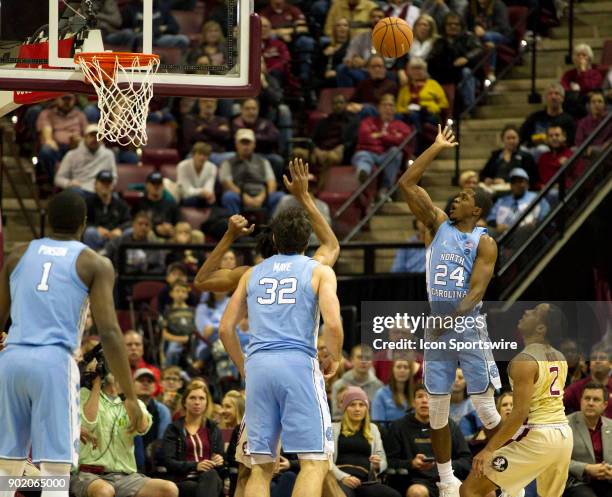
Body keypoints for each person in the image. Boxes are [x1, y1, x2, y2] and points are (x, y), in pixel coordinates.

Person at [194, 160, 342, 497]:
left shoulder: (251, 273)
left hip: (260, 365)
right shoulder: (317, 268)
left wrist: (244, 366)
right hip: (296, 362)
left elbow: (224, 328)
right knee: (315, 462)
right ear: (306, 240)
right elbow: (332, 246)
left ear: (272, 239)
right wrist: (304, 197)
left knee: (260, 465)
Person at [0, 190, 142, 497]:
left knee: (7, 467)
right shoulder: (94, 262)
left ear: (47, 220)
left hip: (12, 360)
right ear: (84, 222)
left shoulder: (17, 254)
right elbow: (110, 333)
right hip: (53, 363)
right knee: (55, 470)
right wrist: (129, 395)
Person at [397, 125, 502, 497]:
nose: (454, 200)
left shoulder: (484, 241)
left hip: (467, 325)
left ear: (477, 209)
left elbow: (477, 291)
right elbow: (407, 184)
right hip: (437, 326)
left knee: (487, 411)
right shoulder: (438, 223)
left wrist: (450, 319)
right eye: (454, 197)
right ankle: (445, 482)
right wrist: (436, 147)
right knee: (437, 411)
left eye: (462, 198)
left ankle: (509, 481)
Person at [461, 303, 573, 497]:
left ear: (540, 328)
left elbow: (520, 413)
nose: (526, 311)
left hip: (539, 436)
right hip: (563, 435)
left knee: (470, 490)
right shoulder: (559, 356)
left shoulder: (525, 361)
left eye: (535, 312)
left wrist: (489, 449)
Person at [71, 366, 177, 497]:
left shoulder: (134, 402)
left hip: (126, 476)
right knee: (104, 491)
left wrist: (127, 394)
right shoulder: (84, 394)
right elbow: (88, 423)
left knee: (169, 489)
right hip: (89, 473)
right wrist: (96, 383)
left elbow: (142, 427)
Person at [385, 384, 472, 497]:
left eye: (429, 397)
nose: (424, 401)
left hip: (447, 478)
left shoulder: (448, 425)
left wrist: (444, 465)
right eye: (420, 396)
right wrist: (411, 463)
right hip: (414, 481)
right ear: (413, 401)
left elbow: (466, 460)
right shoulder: (398, 427)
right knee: (417, 492)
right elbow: (389, 462)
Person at [331, 387, 401, 497]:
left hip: (364, 481)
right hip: (340, 479)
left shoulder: (373, 429)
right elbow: (326, 461)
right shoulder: (333, 428)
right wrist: (343, 477)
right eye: (352, 405)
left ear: (366, 408)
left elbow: (383, 459)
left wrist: (378, 465)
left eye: (361, 405)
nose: (357, 409)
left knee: (394, 495)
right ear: (345, 408)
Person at [162, 381, 225, 497]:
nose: (197, 402)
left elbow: (222, 463)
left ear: (206, 403)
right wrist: (195, 465)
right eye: (192, 398)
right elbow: (168, 462)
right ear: (184, 402)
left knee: (210, 475)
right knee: (195, 487)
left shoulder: (213, 429)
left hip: (211, 479)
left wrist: (220, 461)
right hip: (183, 479)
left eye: (201, 398)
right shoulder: (174, 429)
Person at [351, 94, 413, 199]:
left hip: (387, 155)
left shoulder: (402, 126)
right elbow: (364, 137)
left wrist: (380, 136)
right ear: (379, 108)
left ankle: (385, 189)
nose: (387, 108)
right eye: (384, 105)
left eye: (391, 105)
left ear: (395, 109)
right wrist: (390, 138)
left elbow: (402, 141)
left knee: (395, 151)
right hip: (369, 152)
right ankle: (363, 174)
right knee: (362, 155)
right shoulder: (367, 122)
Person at [219, 128, 286, 217]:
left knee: (280, 196)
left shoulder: (263, 161)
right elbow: (227, 184)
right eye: (243, 143)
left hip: (262, 194)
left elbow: (271, 182)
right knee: (228, 196)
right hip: (239, 195)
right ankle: (236, 227)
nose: (245, 146)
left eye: (248, 143)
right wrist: (244, 197)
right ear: (236, 144)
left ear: (254, 144)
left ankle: (272, 226)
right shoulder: (227, 162)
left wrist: (262, 197)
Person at [428, 13, 484, 110]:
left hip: (468, 73)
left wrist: (466, 58)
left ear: (461, 26)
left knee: (466, 72)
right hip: (446, 73)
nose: (453, 26)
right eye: (449, 24)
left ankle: (469, 107)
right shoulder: (439, 41)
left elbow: (479, 50)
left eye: (456, 24)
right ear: (444, 26)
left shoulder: (468, 37)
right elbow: (432, 58)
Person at [565, 383, 612, 497]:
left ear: (605, 405)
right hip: (577, 481)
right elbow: (557, 460)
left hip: (606, 480)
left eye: (596, 399)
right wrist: (586, 468)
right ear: (581, 401)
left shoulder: (610, 425)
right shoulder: (565, 425)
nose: (590, 403)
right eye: (587, 398)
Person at [35, 95, 88, 187]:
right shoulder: (47, 113)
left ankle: (83, 183)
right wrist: (49, 140)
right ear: (56, 99)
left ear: (75, 100)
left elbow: (88, 132)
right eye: (64, 98)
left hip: (76, 148)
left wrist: (81, 141)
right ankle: (55, 182)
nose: (67, 102)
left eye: (69, 99)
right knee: (46, 150)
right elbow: (46, 132)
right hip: (57, 148)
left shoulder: (80, 115)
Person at [54, 124, 117, 195]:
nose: (95, 139)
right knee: (74, 193)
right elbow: (58, 179)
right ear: (84, 138)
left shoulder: (109, 154)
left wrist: (107, 185)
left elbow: (114, 177)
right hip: (80, 189)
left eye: (98, 136)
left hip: (101, 191)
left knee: (115, 197)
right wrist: (69, 183)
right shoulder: (71, 155)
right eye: (91, 136)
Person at [519, 83, 576, 161]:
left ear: (562, 98)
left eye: (557, 94)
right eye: (550, 94)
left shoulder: (568, 120)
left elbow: (570, 143)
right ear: (545, 98)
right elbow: (521, 135)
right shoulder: (535, 117)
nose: (553, 97)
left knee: (542, 149)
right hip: (533, 151)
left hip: (555, 154)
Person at [487, 168, 550, 236]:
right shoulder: (502, 201)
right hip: (502, 234)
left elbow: (545, 215)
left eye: (520, 181)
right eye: (514, 181)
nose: (517, 184)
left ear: (527, 184)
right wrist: (497, 225)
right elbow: (491, 218)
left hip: (525, 234)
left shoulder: (536, 198)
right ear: (510, 185)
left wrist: (535, 224)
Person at [133, 368, 172, 472]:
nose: (146, 384)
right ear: (132, 384)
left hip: (153, 461)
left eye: (149, 381)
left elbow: (162, 441)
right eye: (141, 381)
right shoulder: (123, 407)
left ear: (155, 386)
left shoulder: (163, 410)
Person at [331, 345, 384, 419]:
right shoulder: (338, 385)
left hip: (370, 427)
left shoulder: (379, 386)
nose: (364, 361)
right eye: (359, 357)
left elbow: (378, 416)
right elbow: (336, 416)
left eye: (368, 358)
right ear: (351, 360)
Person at [83, 170, 131, 250]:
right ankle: (91, 261)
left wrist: (119, 229)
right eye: (102, 183)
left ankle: (123, 261)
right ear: (95, 184)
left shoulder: (121, 204)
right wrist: (97, 228)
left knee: (129, 232)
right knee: (90, 232)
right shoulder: (88, 202)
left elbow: (128, 222)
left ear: (112, 185)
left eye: (108, 183)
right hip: (96, 236)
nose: (105, 186)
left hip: (115, 237)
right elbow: (82, 222)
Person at [480, 125, 538, 189]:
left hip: (518, 190)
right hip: (496, 188)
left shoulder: (526, 156)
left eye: (513, 138)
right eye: (508, 138)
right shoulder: (496, 156)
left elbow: (532, 179)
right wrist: (488, 180)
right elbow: (482, 175)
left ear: (519, 139)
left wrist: (506, 181)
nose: (511, 141)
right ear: (502, 139)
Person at [564, 348, 612, 419]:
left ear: (611, 364)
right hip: (583, 428)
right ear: (590, 365)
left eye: (602, 358)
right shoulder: (577, 387)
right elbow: (557, 402)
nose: (597, 361)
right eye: (594, 358)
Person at [561, 44, 604, 118]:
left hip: (588, 104)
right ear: (574, 58)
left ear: (589, 59)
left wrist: (583, 71)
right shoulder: (568, 74)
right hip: (572, 103)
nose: (581, 58)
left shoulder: (595, 73)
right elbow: (564, 89)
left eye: (584, 55)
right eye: (578, 55)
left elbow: (588, 87)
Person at [135, 171, 181, 240]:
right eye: (153, 184)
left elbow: (179, 223)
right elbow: (135, 224)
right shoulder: (140, 203)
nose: (156, 187)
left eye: (159, 184)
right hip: (147, 238)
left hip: (169, 238)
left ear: (163, 186)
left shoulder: (171, 204)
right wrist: (155, 229)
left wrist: (171, 228)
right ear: (147, 185)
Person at [177, 142, 217, 208]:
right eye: (199, 154)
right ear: (193, 154)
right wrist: (201, 192)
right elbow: (186, 190)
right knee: (193, 200)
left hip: (204, 198)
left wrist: (208, 194)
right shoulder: (182, 166)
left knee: (211, 201)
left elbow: (209, 187)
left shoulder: (212, 167)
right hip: (185, 198)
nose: (202, 157)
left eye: (205, 155)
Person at [125, 330, 163, 397]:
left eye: (137, 344)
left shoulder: (154, 371)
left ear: (143, 348)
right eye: (129, 345)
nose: (133, 348)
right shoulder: (115, 372)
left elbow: (157, 394)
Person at [449, 369, 483, 441]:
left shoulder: (474, 402)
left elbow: (482, 430)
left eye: (460, 378)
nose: (456, 380)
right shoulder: (441, 402)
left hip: (469, 441)